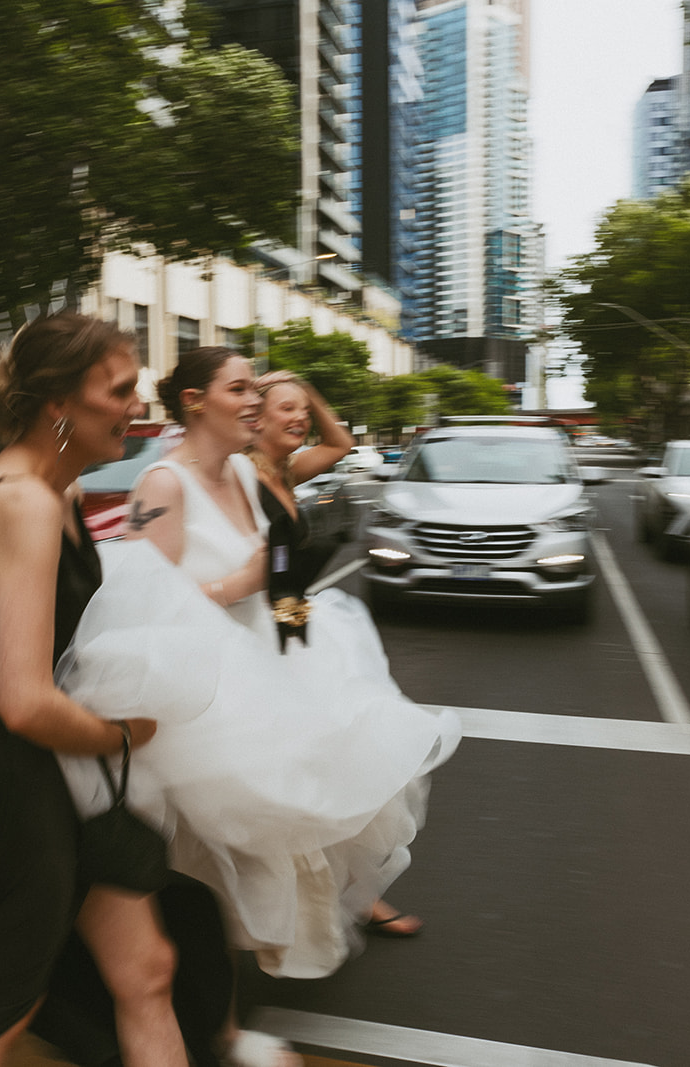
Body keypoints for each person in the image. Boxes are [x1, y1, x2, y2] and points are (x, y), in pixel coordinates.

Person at [55, 347, 460, 984]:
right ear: (195, 402)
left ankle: (267, 947)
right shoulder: (163, 483)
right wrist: (229, 589)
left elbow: (267, 569)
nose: (257, 400)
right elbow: (135, 606)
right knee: (232, 830)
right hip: (209, 687)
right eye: (242, 389)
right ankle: (198, 975)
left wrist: (278, 602)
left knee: (312, 792)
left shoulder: (247, 476)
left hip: (270, 659)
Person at [0, 312, 187, 1067]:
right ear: (59, 404)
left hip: (67, 778)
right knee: (9, 1006)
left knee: (146, 970)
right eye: (122, 389)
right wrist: (127, 734)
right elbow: (25, 700)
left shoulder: (56, 492)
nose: (137, 405)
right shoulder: (25, 502)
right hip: (13, 790)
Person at [244, 370, 424, 938]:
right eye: (286, 411)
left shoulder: (286, 470)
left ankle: (356, 890)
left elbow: (342, 444)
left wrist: (303, 390)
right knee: (299, 774)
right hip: (258, 636)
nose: (299, 419)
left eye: (303, 411)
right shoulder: (239, 474)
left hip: (296, 624)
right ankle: (291, 899)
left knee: (342, 762)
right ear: (255, 418)